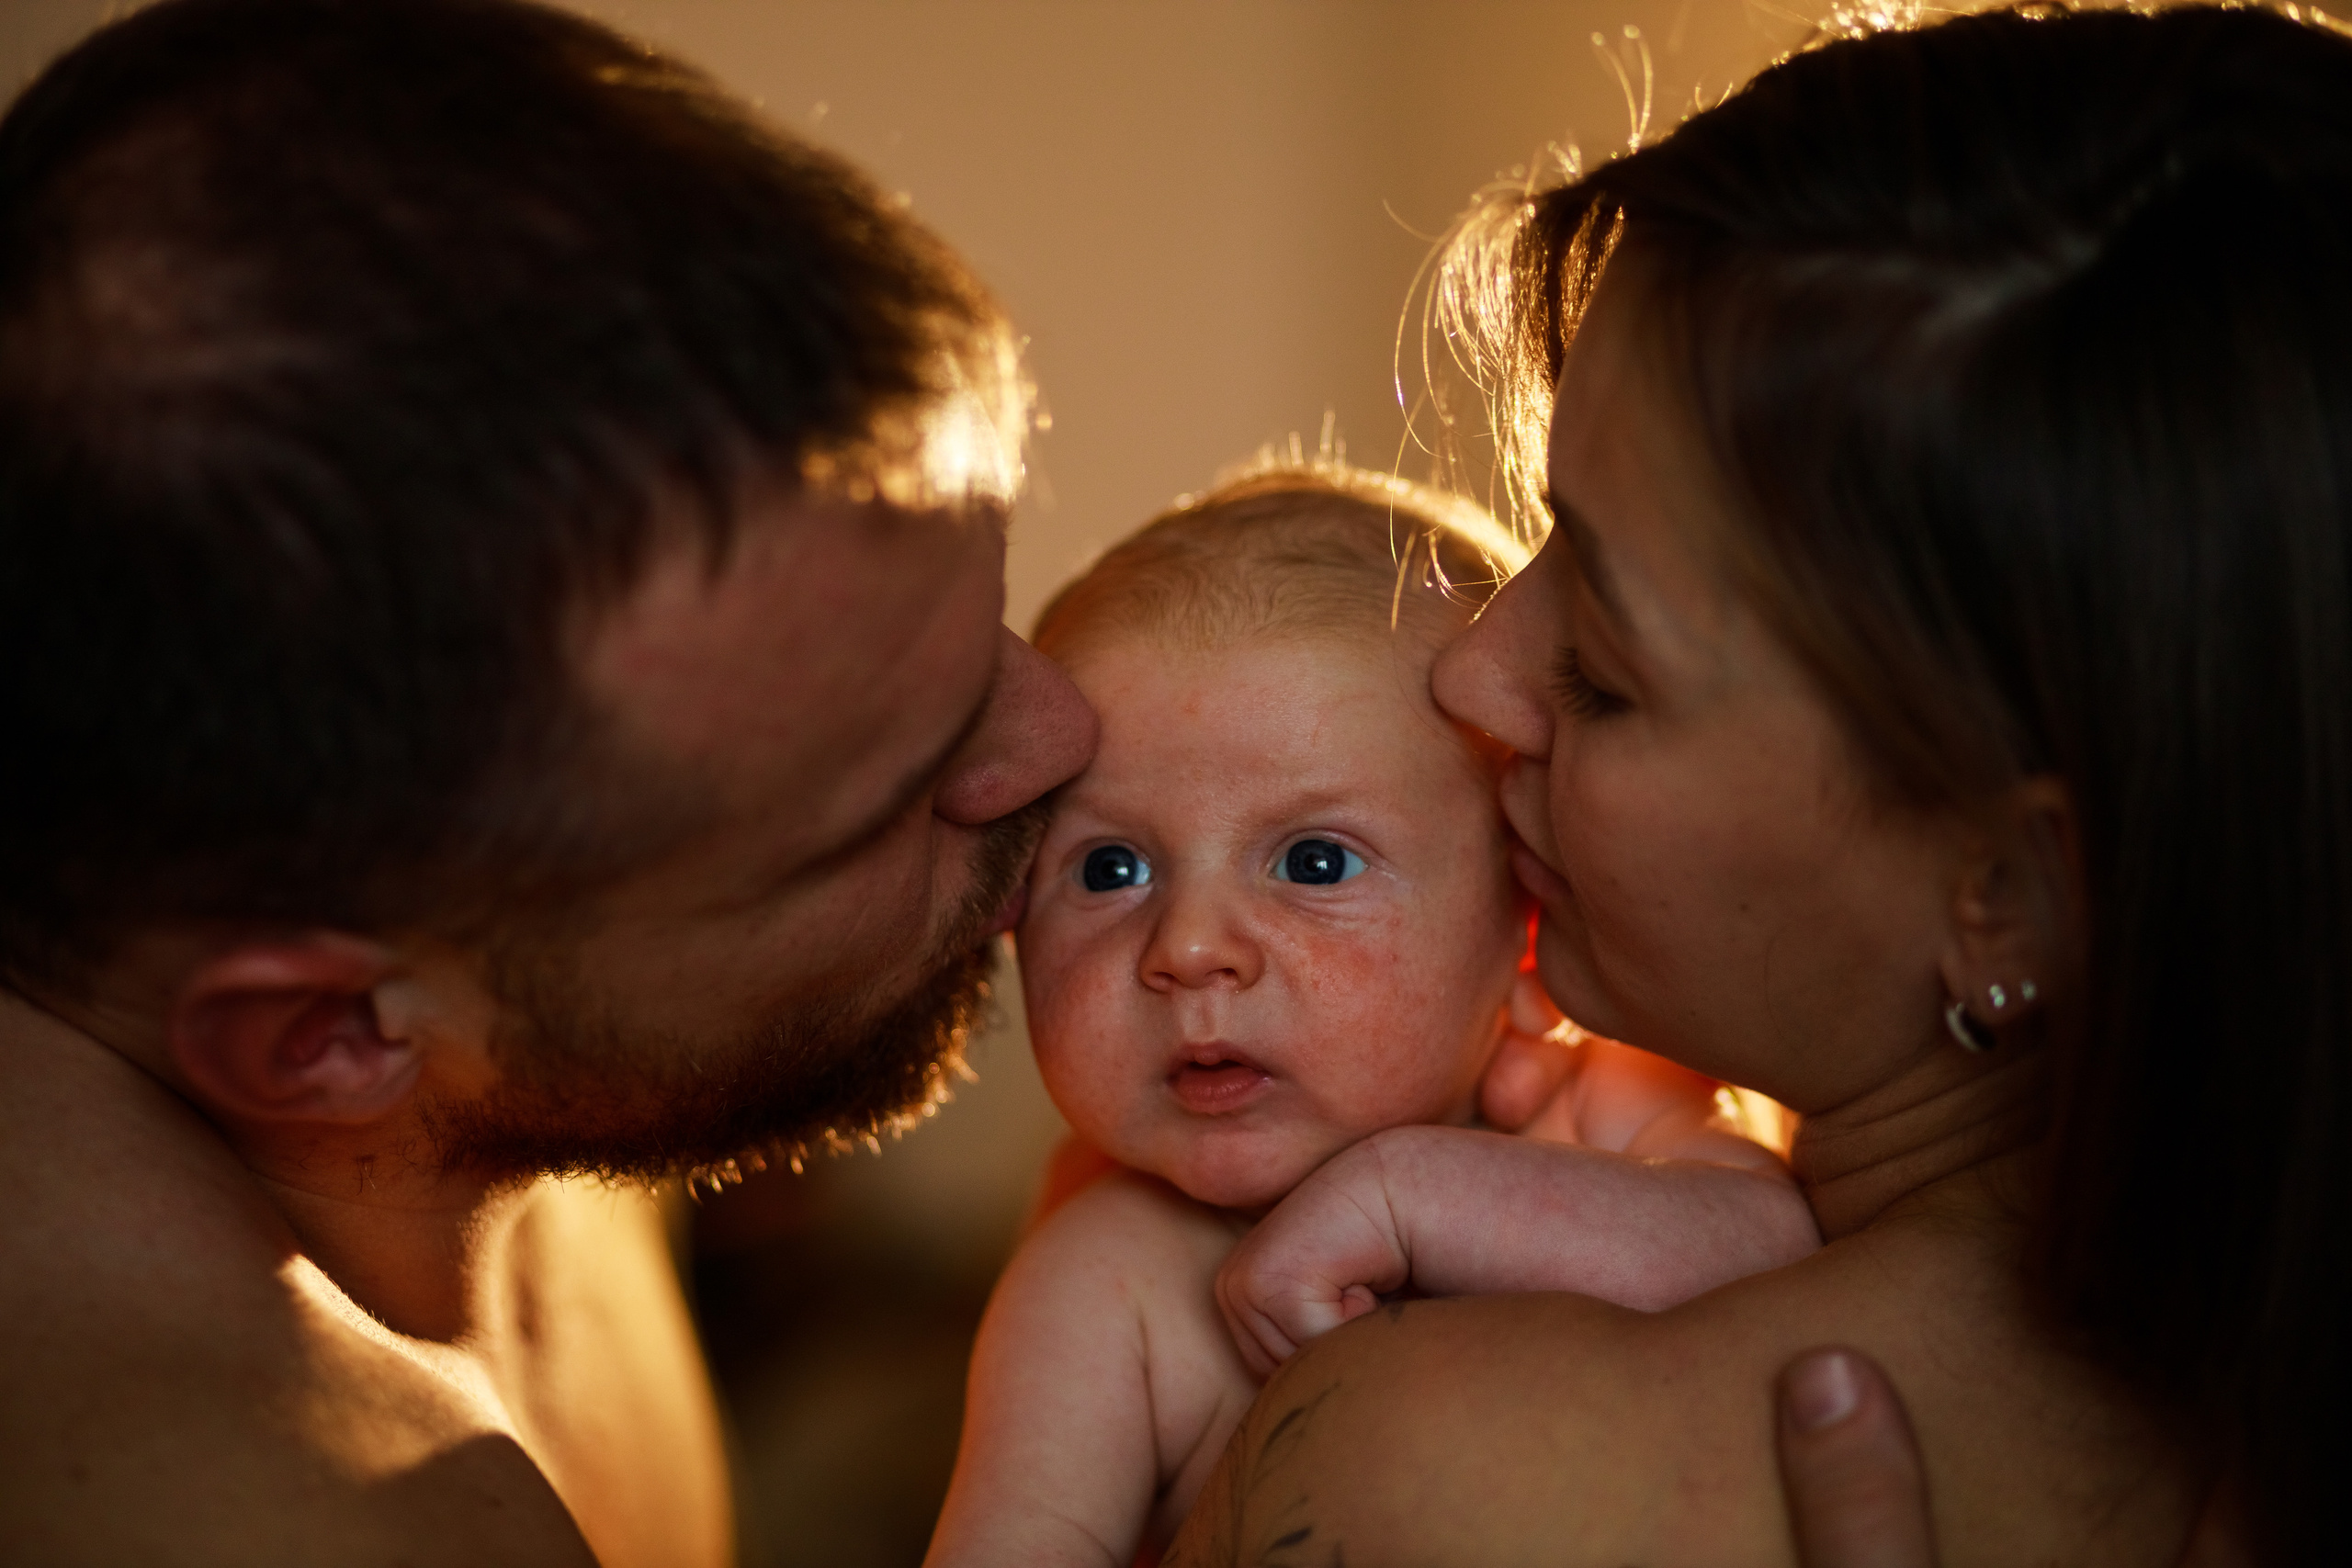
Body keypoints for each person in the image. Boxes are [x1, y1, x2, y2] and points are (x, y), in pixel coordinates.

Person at [1166, 5, 2350, 1563]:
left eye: (1605, 666)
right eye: (1541, 529)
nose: (1474, 675)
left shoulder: (1443, 1459)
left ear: (2012, 898)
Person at [0, 1, 1094, 1562]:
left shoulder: (507, 996)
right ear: (333, 1035)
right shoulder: (302, 1518)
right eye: (892, 795)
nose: (1063, 731)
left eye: (986, 630)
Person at [926, 466, 1817, 1566]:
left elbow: (1772, 1254)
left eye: (1314, 861)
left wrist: (1414, 1196)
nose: (1188, 947)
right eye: (1110, 868)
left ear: (1528, 934)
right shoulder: (1108, 1283)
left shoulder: (1608, 1117)